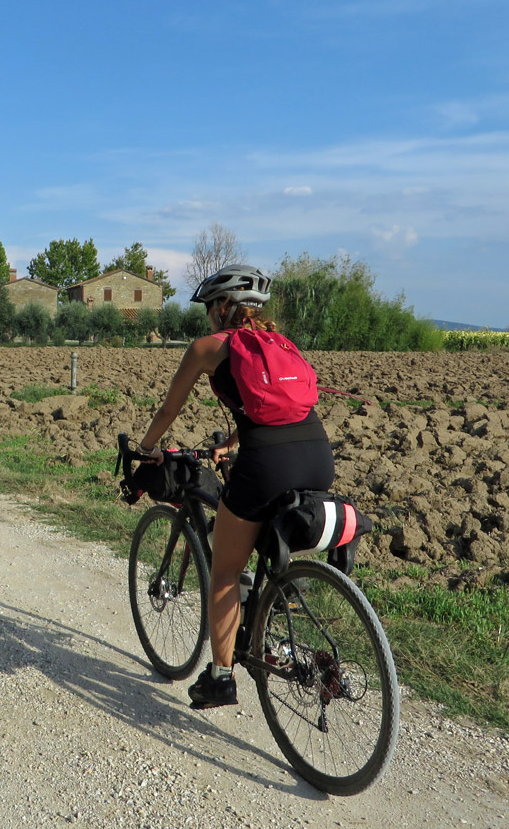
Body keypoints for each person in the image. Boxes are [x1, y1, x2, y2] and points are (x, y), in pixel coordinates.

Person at [135, 264, 334, 710]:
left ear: (223, 306)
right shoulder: (281, 345)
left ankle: (221, 677)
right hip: (318, 455)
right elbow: (276, 405)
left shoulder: (208, 347)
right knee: (261, 538)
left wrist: (149, 448)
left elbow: (170, 408)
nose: (208, 317)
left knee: (224, 570)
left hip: (267, 464)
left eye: (210, 308)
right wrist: (232, 440)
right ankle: (275, 606)